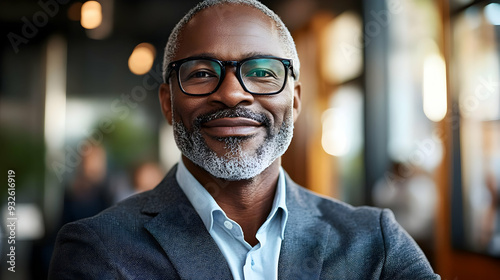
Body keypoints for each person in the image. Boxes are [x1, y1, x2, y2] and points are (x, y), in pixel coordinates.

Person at [49, 0, 440, 279]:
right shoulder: (99, 250)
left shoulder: (376, 243)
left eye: (262, 72)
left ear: (296, 100)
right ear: (168, 103)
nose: (233, 93)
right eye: (202, 73)